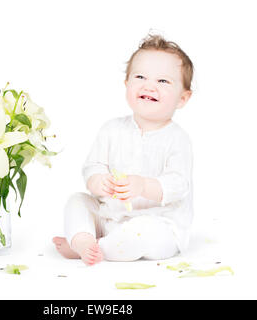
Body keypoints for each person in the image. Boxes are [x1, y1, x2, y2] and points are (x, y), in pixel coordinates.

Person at [53, 33, 194, 265]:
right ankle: (83, 239)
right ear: (127, 84)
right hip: (110, 216)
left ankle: (93, 248)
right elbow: (92, 166)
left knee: (144, 233)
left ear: (182, 98)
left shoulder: (177, 139)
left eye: (163, 81)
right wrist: (98, 181)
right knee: (77, 201)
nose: (149, 85)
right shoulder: (111, 130)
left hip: (159, 223)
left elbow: (178, 184)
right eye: (140, 77)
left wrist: (143, 185)